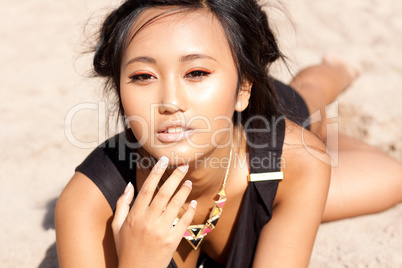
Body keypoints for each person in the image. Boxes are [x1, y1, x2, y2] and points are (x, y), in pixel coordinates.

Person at [55, 0, 402, 267]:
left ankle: (334, 71)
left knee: (313, 108)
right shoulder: (88, 205)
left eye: (196, 72)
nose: (170, 102)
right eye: (143, 76)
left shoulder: (294, 162)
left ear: (243, 89)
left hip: (269, 125)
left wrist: (310, 155)